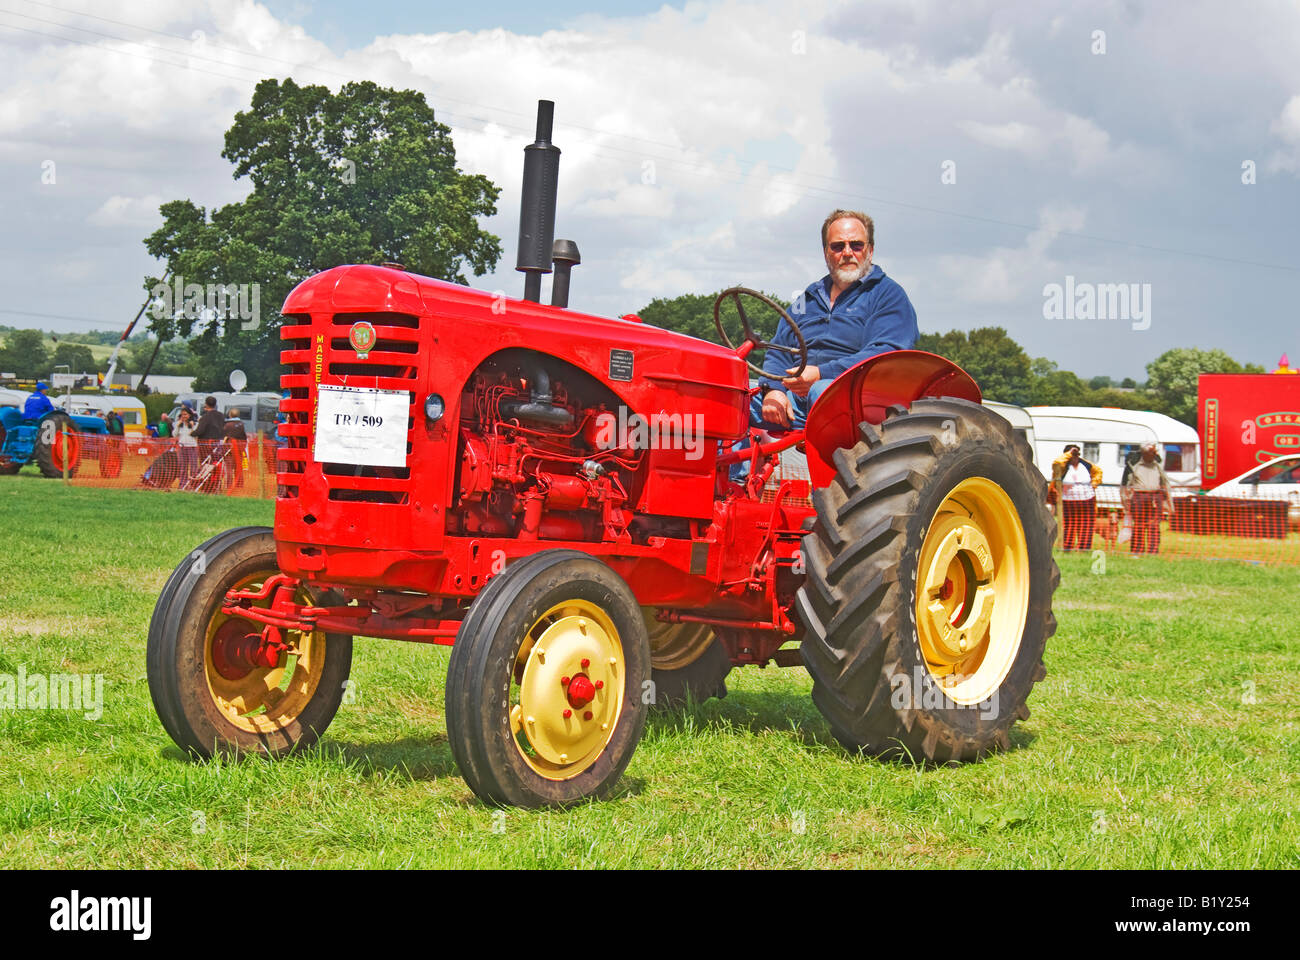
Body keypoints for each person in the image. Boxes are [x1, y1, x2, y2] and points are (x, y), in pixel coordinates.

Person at [755, 209, 919, 431]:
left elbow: (884, 354)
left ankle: (840, 464)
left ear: (870, 251)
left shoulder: (888, 295)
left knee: (820, 390)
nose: (848, 252)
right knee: (731, 401)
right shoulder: (808, 298)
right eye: (838, 246)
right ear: (826, 253)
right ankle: (730, 466)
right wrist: (773, 389)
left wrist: (821, 373)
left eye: (856, 245)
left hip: (856, 400)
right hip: (795, 398)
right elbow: (779, 349)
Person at [1123, 442, 1175, 555]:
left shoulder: (1158, 466)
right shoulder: (1133, 465)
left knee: (1154, 525)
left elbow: (1165, 483)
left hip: (1155, 498)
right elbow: (1125, 485)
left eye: (1154, 452)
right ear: (1144, 453)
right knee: (1139, 525)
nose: (1153, 455)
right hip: (1139, 498)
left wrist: (1169, 504)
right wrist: (1126, 502)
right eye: (1150, 452)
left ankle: (1153, 551)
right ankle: (1137, 551)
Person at [1052, 444, 1102, 551]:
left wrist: (1094, 483)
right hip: (1068, 501)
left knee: (1086, 525)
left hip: (1087, 500)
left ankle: (1084, 548)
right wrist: (1068, 455)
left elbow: (1098, 472)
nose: (1076, 456)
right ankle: (1068, 547)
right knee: (1070, 525)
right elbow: (1056, 463)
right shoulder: (1062, 466)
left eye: (1077, 454)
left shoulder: (1085, 465)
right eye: (1073, 454)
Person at [194, 395, 225, 466]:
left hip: (206, 444)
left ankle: (208, 476)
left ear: (206, 404)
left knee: (205, 462)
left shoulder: (205, 417)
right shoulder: (221, 415)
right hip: (218, 442)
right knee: (216, 461)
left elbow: (199, 430)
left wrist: (192, 433)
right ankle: (215, 476)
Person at [223, 407, 248, 488]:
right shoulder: (242, 424)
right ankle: (239, 484)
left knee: (229, 467)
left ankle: (229, 484)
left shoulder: (227, 425)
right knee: (238, 466)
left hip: (229, 448)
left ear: (230, 415)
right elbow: (244, 437)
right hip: (240, 448)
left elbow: (224, 436)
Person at [175, 403, 199, 487]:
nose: (184, 416)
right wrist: (177, 426)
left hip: (192, 447)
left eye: (185, 414)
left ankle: (193, 485)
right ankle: (182, 485)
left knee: (193, 468)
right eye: (182, 415)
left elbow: (195, 434)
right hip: (182, 447)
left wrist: (192, 427)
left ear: (190, 415)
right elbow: (174, 435)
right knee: (182, 468)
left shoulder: (195, 424)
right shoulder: (179, 424)